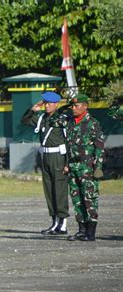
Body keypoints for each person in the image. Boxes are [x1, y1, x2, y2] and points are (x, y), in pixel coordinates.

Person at [50, 94, 104, 241]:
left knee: (89, 199)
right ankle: (81, 230)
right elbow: (53, 122)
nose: (73, 108)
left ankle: (91, 233)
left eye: (76, 105)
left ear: (85, 106)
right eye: (72, 106)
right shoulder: (70, 122)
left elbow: (99, 146)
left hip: (87, 166)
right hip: (73, 165)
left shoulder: (93, 123)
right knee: (77, 199)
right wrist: (63, 108)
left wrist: (98, 167)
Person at [21, 92, 69, 235]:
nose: (47, 105)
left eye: (49, 103)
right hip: (45, 156)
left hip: (58, 157)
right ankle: (54, 222)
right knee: (49, 189)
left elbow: (68, 141)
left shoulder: (62, 119)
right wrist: (32, 109)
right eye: (45, 103)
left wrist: (67, 163)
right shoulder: (42, 118)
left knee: (59, 190)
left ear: (56, 104)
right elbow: (24, 120)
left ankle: (63, 223)